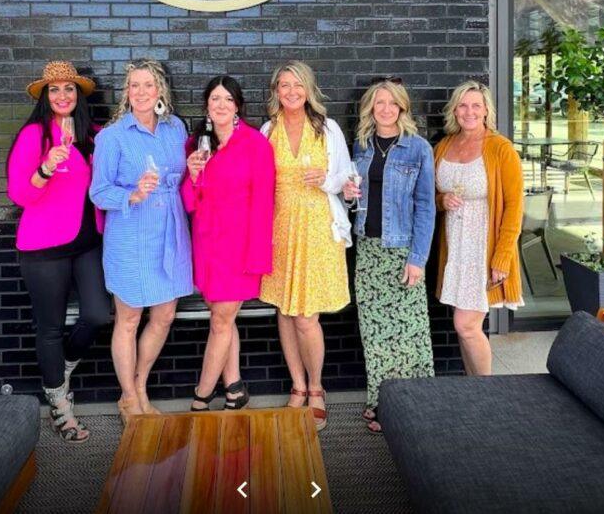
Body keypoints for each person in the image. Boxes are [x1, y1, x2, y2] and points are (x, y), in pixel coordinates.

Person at [6, 60, 112, 444]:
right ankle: (60, 404)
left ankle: (60, 371)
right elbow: (19, 194)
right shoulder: (35, 135)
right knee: (49, 328)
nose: (63, 95)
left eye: (69, 89)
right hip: (43, 247)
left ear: (79, 95)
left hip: (87, 243)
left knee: (98, 315)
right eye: (55, 90)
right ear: (45, 97)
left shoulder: (94, 135)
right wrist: (46, 168)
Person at [90, 58, 193, 421]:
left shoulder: (175, 129)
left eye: (148, 85)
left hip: (170, 232)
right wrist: (132, 195)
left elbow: (185, 178)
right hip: (131, 236)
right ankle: (129, 398)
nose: (142, 92)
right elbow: (98, 192)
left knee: (164, 315)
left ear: (160, 90)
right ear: (127, 92)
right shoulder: (112, 136)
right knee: (129, 318)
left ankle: (140, 385)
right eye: (135, 85)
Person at [260, 60, 352, 430]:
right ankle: (296, 385)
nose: (291, 92)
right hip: (280, 228)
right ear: (276, 91)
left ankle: (316, 388)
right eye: (284, 85)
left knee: (306, 315)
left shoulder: (327, 128)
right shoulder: (268, 129)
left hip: (316, 228)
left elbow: (347, 176)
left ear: (309, 88)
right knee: (284, 309)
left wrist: (327, 178)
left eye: (297, 85)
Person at [342, 78, 435, 433]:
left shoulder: (418, 148)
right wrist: (349, 194)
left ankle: (417, 401)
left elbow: (426, 207)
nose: (385, 109)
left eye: (392, 103)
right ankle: (380, 400)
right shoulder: (362, 146)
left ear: (402, 108)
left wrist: (418, 258)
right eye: (379, 103)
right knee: (375, 333)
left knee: (409, 332)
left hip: (402, 251)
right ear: (371, 107)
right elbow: (352, 200)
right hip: (369, 249)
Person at [181, 76, 275, 412]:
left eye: (227, 99)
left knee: (221, 320)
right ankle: (234, 388)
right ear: (206, 105)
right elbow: (191, 202)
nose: (220, 105)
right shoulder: (196, 144)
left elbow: (265, 204)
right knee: (222, 318)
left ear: (237, 106)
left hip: (239, 248)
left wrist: (258, 256)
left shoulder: (255, 145)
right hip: (208, 246)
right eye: (214, 99)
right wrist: (192, 176)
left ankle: (202, 395)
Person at [433, 80, 524, 376]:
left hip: (483, 248)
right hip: (456, 248)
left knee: (466, 324)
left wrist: (502, 257)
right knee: (465, 328)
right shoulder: (445, 145)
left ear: (486, 110)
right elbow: (430, 196)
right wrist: (442, 200)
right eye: (463, 105)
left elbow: (514, 208)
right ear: (454, 110)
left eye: (476, 105)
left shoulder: (500, 148)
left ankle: (488, 391)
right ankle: (474, 388)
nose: (469, 111)